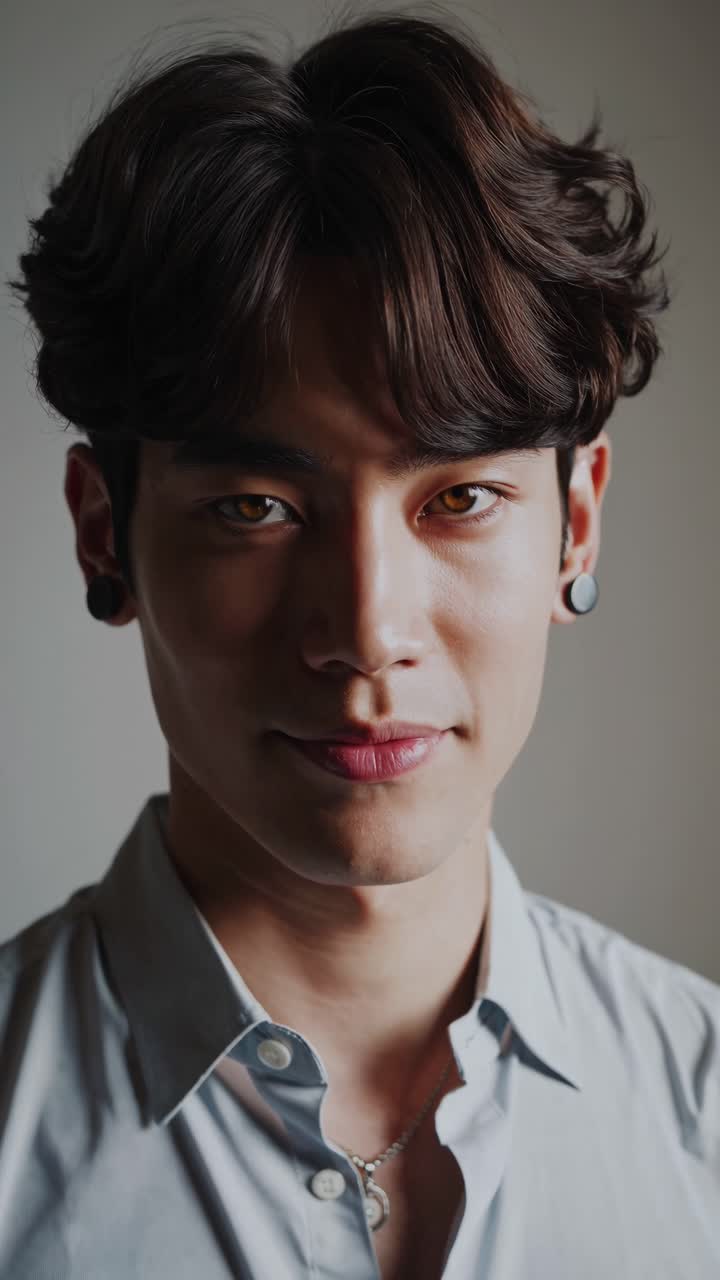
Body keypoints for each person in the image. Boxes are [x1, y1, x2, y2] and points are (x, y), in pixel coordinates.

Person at [2, 9, 718, 1279]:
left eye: (461, 498)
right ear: (104, 534)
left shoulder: (703, 1106)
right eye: (257, 508)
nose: (368, 632)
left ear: (577, 524)